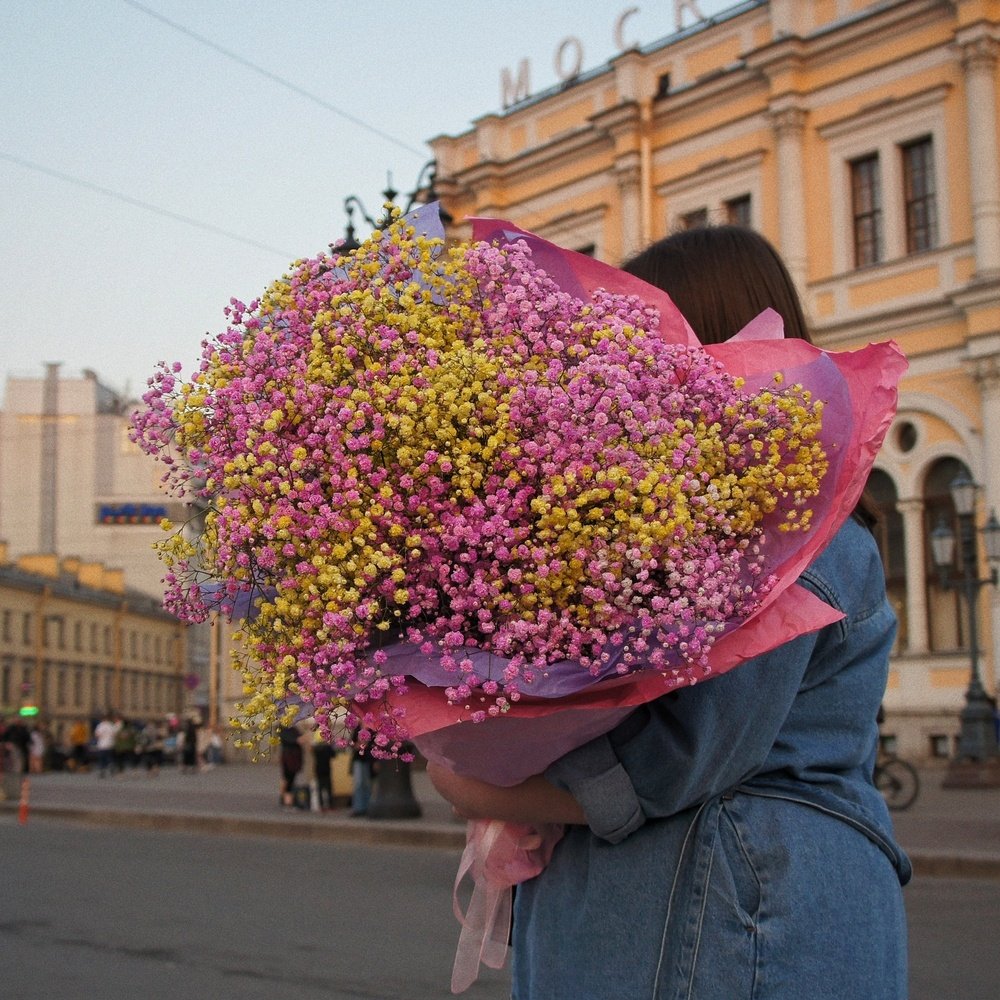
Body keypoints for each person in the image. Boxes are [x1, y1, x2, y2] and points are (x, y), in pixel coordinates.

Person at [429, 225, 911, 999]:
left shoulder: (798, 528)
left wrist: (486, 786)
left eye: (644, 328)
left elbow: (689, 756)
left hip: (744, 903)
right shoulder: (668, 525)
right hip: (686, 900)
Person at [278, 723, 304, 807]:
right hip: (289, 757)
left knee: (289, 779)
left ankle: (287, 799)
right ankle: (286, 800)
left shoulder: (292, 728)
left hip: (293, 757)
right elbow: (295, 740)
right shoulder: (284, 729)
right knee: (288, 779)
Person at [312, 732, 336, 811]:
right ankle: (330, 805)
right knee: (328, 788)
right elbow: (333, 755)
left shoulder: (316, 749)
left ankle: (321, 805)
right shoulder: (327, 748)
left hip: (318, 769)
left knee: (320, 788)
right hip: (327, 769)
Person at [93, 712, 121, 778]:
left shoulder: (100, 725)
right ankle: (111, 765)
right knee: (110, 757)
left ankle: (102, 772)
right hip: (110, 744)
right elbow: (115, 734)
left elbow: (97, 735)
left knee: (102, 759)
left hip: (102, 745)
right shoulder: (111, 725)